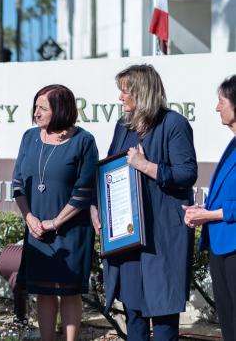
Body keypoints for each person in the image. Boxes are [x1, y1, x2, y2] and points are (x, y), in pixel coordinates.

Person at [92, 64, 197, 340]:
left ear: (141, 93)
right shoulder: (122, 126)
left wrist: (145, 165)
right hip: (128, 238)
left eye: (124, 92)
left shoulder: (174, 124)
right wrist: (98, 209)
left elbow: (187, 174)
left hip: (161, 239)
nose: (120, 98)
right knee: (134, 311)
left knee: (163, 314)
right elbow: (108, 173)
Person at [12, 84, 98, 341]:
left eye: (43, 108)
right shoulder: (29, 137)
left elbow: (85, 190)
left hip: (71, 229)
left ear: (60, 109)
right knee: (44, 291)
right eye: (35, 107)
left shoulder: (83, 141)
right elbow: (18, 183)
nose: (36, 113)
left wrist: (55, 222)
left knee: (70, 292)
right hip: (36, 230)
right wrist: (29, 219)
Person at [183, 75, 236, 341]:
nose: (217, 107)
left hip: (233, 245)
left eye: (221, 101)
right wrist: (206, 207)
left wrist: (210, 214)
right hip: (222, 244)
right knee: (229, 322)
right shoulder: (233, 144)